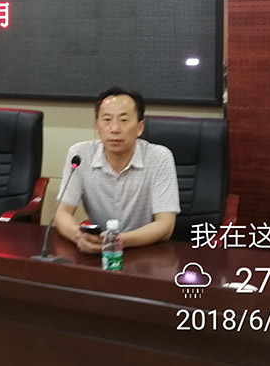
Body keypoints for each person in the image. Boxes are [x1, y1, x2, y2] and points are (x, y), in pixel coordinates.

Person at [54, 86, 180, 254]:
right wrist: (80, 237)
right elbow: (62, 214)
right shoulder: (80, 155)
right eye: (107, 120)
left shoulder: (159, 157)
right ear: (97, 126)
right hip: (99, 253)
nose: (114, 129)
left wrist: (116, 241)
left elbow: (166, 225)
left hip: (146, 251)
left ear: (140, 127)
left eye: (124, 120)